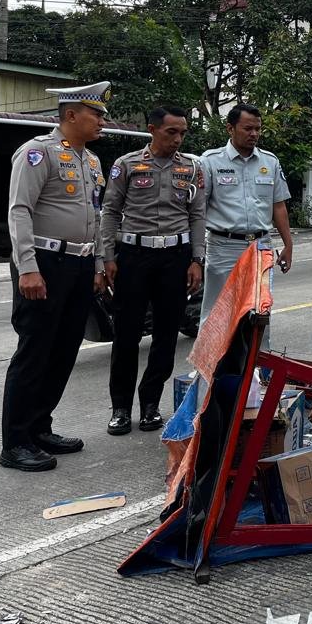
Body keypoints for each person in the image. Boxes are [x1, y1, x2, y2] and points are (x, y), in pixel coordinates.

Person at [1, 81, 111, 472]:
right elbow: (19, 210)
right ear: (71, 115)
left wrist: (98, 264)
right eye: (96, 113)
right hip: (44, 263)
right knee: (35, 352)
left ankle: (39, 428)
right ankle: (15, 442)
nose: (102, 120)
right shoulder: (37, 152)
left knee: (64, 351)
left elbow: (95, 216)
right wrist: (27, 267)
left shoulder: (91, 161)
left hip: (79, 266)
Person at [99, 106, 206, 435]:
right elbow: (110, 211)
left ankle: (150, 404)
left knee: (166, 335)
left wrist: (197, 259)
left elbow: (197, 214)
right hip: (134, 256)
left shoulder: (191, 167)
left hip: (175, 257)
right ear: (152, 129)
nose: (178, 139)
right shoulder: (127, 164)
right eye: (171, 132)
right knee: (126, 334)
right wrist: (107, 257)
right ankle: (120, 407)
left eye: (182, 133)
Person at [198, 105, 293, 335]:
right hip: (223, 247)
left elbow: (278, 206)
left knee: (260, 311)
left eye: (258, 129)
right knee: (217, 312)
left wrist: (288, 245)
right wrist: (195, 253)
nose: (254, 134)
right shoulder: (210, 161)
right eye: (248, 128)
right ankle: (210, 359)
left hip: (261, 246)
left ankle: (258, 357)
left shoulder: (269, 162)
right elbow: (198, 209)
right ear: (230, 128)